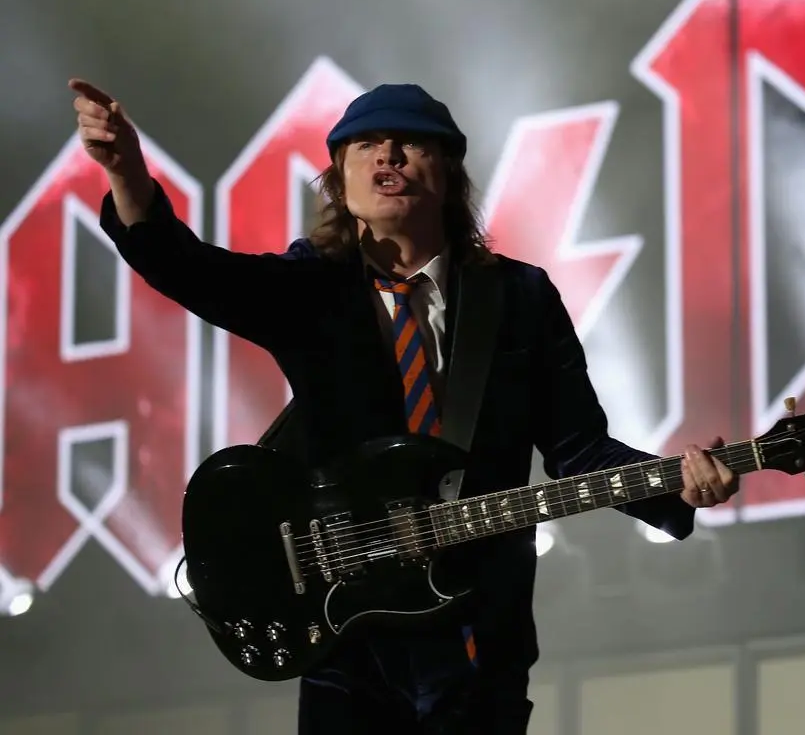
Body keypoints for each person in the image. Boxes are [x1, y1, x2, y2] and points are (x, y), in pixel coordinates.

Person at [70, 77, 740, 734]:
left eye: (408, 143)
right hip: (347, 632)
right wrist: (127, 173)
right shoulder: (312, 286)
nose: (386, 155)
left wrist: (678, 487)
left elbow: (578, 450)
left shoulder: (519, 298)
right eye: (365, 145)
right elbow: (190, 270)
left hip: (477, 624)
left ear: (447, 172)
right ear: (340, 179)